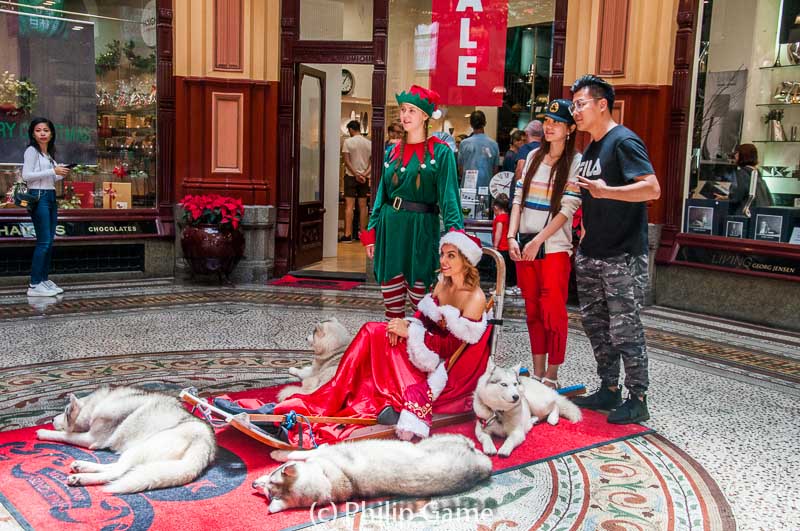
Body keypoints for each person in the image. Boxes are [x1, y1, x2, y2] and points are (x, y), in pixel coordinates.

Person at [275, 230, 490, 445]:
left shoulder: (475, 297)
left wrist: (411, 334)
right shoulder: (444, 282)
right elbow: (423, 317)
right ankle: (337, 393)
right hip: (425, 344)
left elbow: (452, 348)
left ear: (466, 260)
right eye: (442, 254)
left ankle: (358, 397)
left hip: (443, 363)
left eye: (451, 255)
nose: (443, 260)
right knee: (374, 331)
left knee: (379, 336)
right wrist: (407, 324)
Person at [568, 74, 661, 424]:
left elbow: (651, 189)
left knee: (625, 329)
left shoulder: (624, 142)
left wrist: (608, 192)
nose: (575, 111)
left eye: (581, 104)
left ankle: (638, 397)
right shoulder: (591, 146)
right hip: (593, 252)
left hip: (622, 255)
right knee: (597, 326)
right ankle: (609, 387)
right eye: (574, 105)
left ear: (602, 104)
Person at [361, 85, 463, 320]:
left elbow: (449, 200)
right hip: (391, 229)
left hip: (422, 231)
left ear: (426, 116)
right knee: (392, 308)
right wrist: (372, 231)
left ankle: (421, 355)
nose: (405, 116)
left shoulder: (442, 152)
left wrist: (455, 239)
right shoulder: (392, 151)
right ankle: (393, 356)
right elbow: (381, 195)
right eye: (403, 110)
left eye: (412, 111)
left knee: (423, 310)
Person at [506, 99, 582, 389]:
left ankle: (552, 374)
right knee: (533, 310)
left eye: (557, 123)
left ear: (570, 128)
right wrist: (512, 236)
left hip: (553, 250)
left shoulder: (575, 162)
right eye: (547, 122)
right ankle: (537, 372)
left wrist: (538, 240)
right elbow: (517, 200)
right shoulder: (535, 156)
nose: (550, 127)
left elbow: (568, 208)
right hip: (525, 246)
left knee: (553, 312)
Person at [22, 118, 69, 297]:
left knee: (49, 240)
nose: (42, 133)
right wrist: (52, 171)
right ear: (33, 134)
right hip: (38, 196)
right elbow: (27, 176)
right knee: (43, 241)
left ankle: (43, 280)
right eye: (38, 130)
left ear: (51, 133)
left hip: (49, 195)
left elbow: (50, 178)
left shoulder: (48, 153)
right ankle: (34, 284)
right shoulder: (31, 151)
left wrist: (60, 173)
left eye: (46, 130)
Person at [340, 120, 372, 243]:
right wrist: (364, 174)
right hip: (364, 177)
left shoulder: (348, 142)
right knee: (363, 206)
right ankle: (362, 233)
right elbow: (371, 162)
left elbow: (347, 161)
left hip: (350, 176)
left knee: (349, 206)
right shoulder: (368, 143)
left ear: (351, 130)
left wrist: (355, 174)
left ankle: (348, 234)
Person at [727, 143, 773, 216]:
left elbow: (736, 197)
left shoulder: (741, 174)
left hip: (743, 216)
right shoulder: (758, 175)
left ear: (742, 155)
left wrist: (727, 198)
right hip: (758, 215)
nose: (735, 156)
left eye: (737, 153)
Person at [457, 110, 500, 190]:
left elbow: (460, 170)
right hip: (487, 188)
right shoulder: (494, 144)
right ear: (485, 123)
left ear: (471, 124)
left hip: (467, 188)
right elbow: (495, 171)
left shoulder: (464, 144)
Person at [511, 120, 543, 204]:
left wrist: (518, 192)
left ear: (527, 134)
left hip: (524, 195)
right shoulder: (545, 149)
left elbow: (520, 170)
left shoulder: (526, 148)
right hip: (539, 195)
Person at [491, 194, 517, 294]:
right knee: (508, 268)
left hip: (501, 247)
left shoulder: (500, 218)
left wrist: (495, 246)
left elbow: (498, 232)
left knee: (499, 268)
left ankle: (499, 286)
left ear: (496, 208)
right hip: (508, 247)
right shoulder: (508, 217)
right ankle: (508, 286)